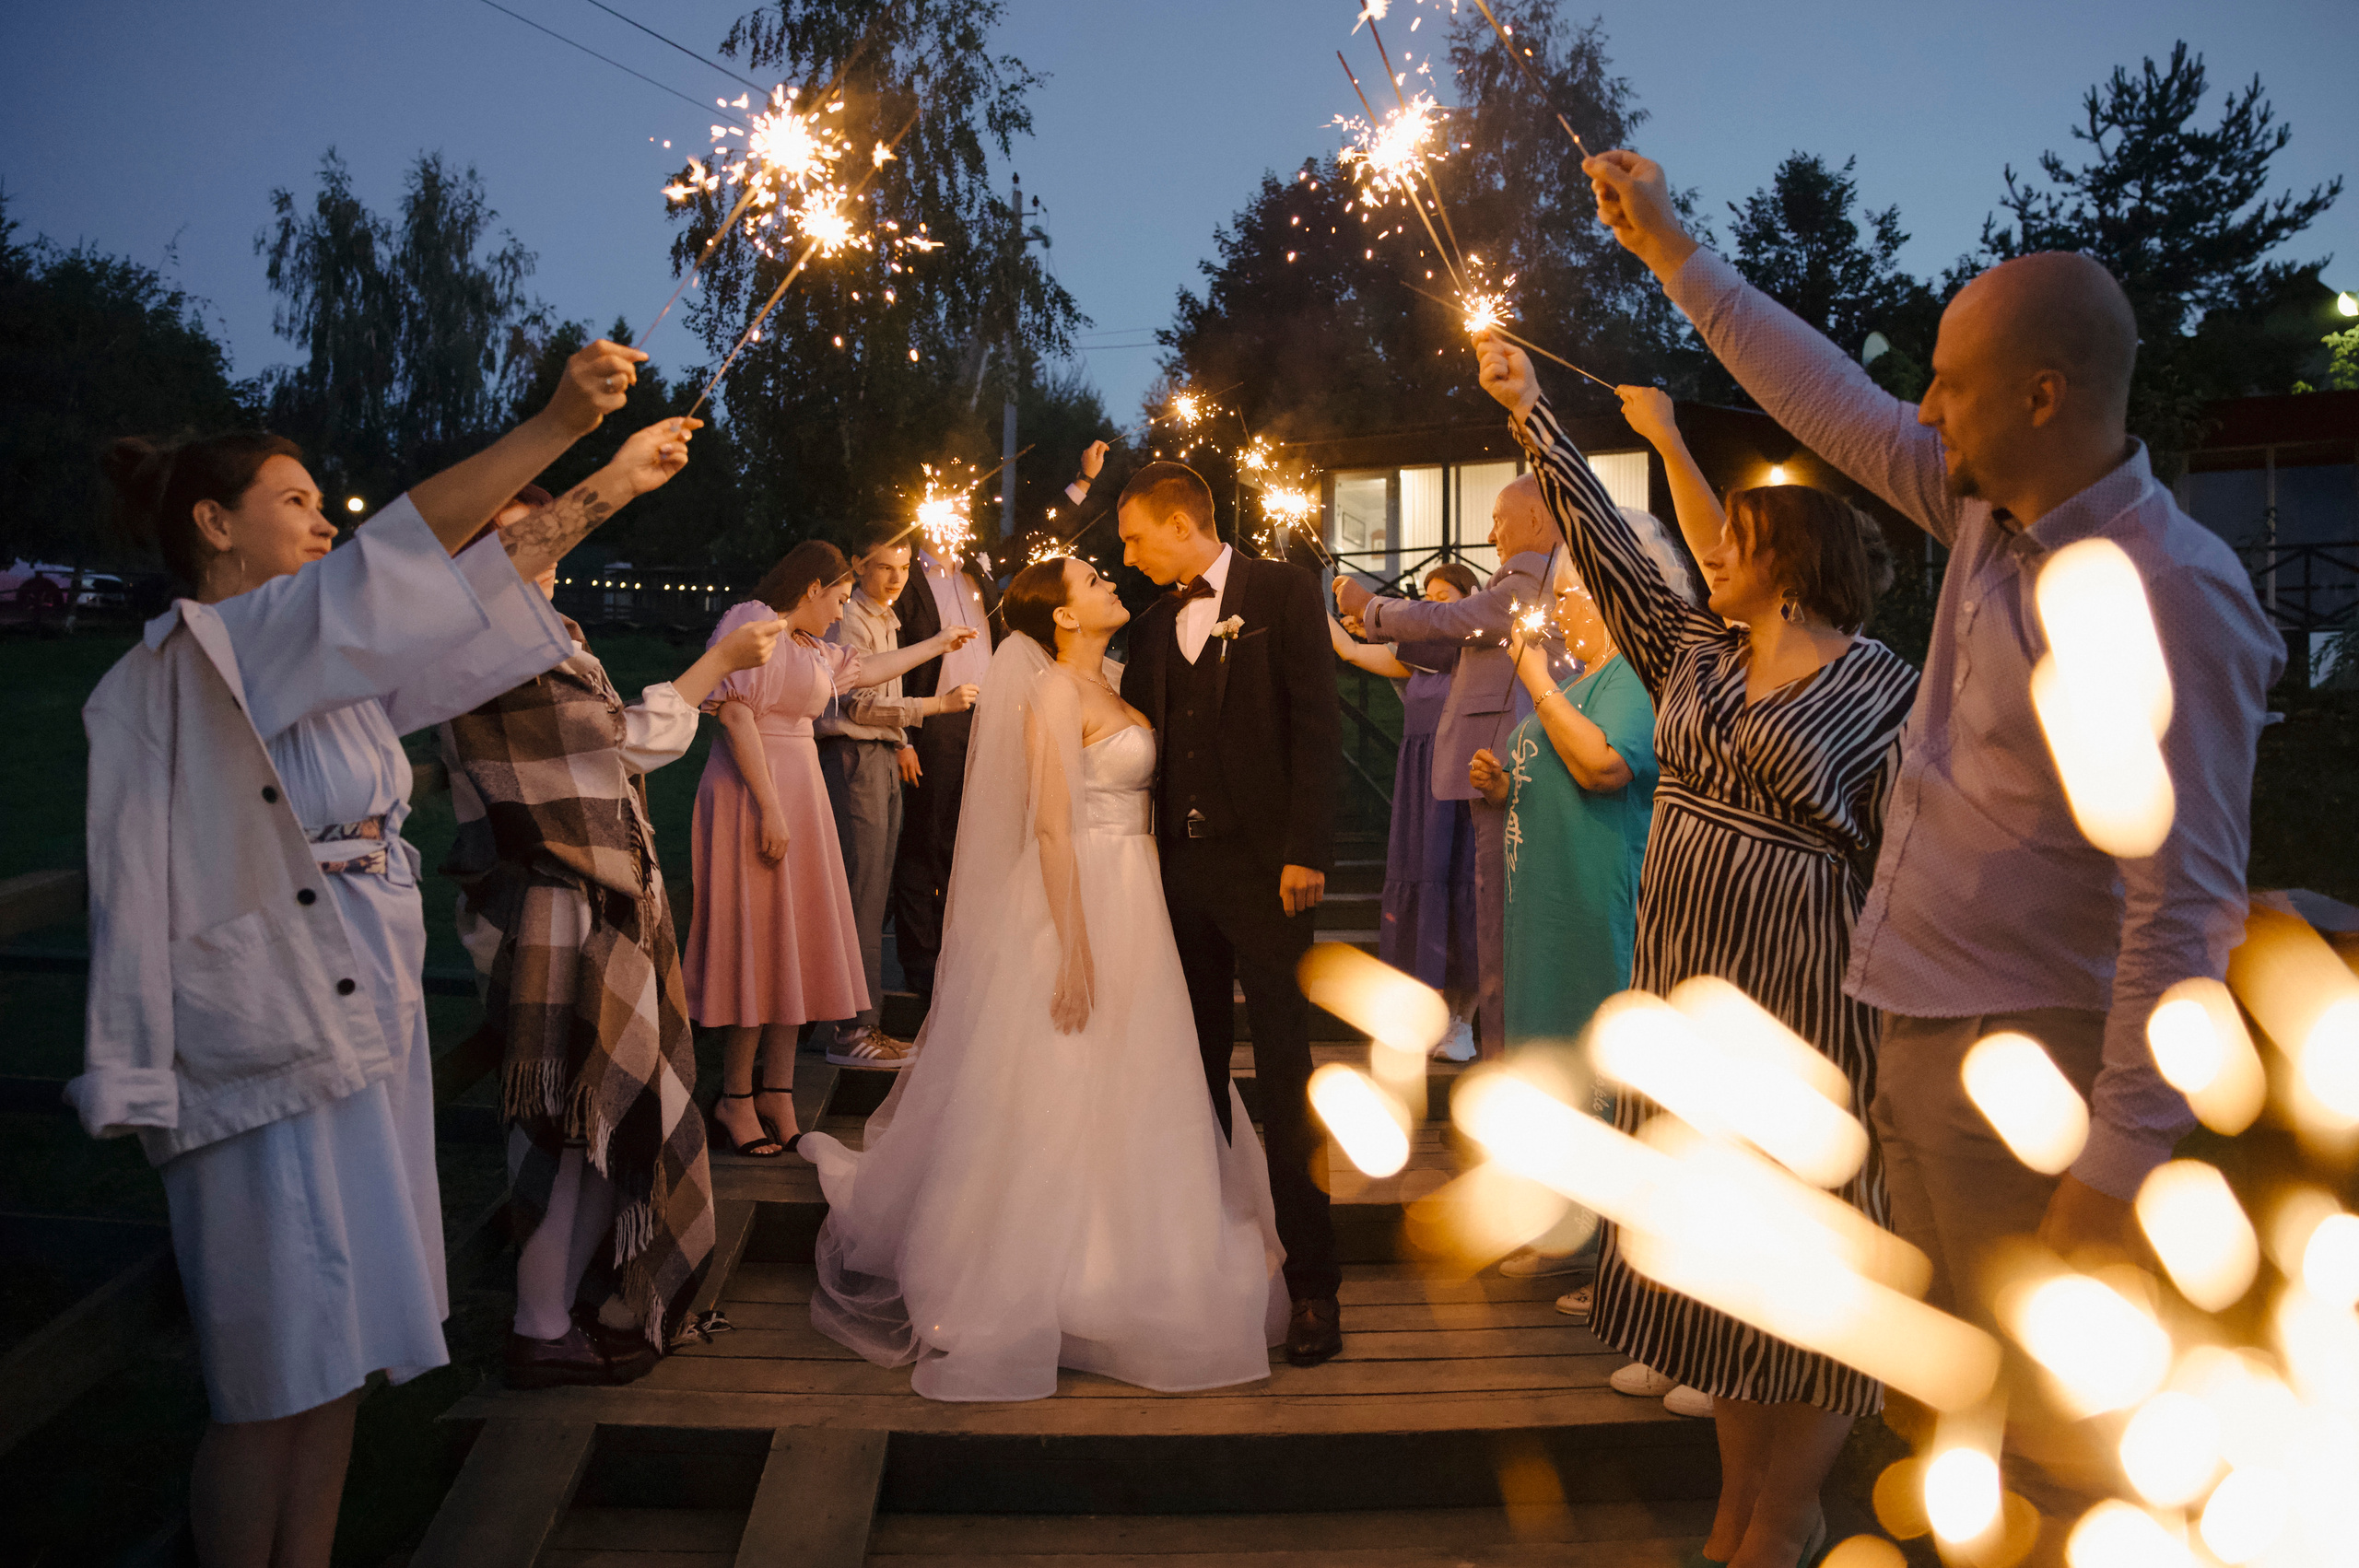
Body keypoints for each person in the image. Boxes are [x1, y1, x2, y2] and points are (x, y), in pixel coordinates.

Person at [1584, 150, 2283, 1557]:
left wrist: (2119, 1162)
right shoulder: (1983, 516)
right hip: (1908, 1041)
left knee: (2057, 1450)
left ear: (2046, 394)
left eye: (1952, 381)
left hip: (2033, 1075)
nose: (1923, 406)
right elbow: (1827, 393)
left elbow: (2184, 908)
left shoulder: (2169, 594)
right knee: (1948, 1430)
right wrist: (1673, 253)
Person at [68, 339, 691, 1568]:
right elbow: (398, 559)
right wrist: (553, 424)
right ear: (214, 523)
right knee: (270, 1374)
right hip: (261, 1046)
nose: (321, 520)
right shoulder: (220, 654)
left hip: (365, 1024)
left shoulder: (334, 669)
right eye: (293, 501)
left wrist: (613, 481)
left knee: (346, 1355)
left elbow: (468, 586)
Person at [1478, 328, 1919, 1568]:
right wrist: (1533, 413)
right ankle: (1738, 1510)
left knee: (1805, 1273)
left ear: (1792, 565)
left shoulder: (1888, 692)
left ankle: (1787, 1514)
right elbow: (1617, 549)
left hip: (1815, 1028)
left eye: (1735, 542)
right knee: (1721, 1279)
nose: (1710, 552)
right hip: (1688, 1019)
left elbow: (1912, 874)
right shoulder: (1696, 653)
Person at [802, 556, 1285, 1399]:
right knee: (1064, 1066)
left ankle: (1146, 1248)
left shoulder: (1126, 680)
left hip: (1139, 896)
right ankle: (1052, 1270)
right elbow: (1052, 830)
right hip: (1081, 897)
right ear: (1061, 617)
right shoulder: (1053, 693)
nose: (1107, 583)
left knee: (1144, 1071)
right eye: (1092, 581)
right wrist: (1074, 946)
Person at [438, 497, 786, 1389]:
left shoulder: (545, 631)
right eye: (523, 537)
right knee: (573, 1126)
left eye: (551, 533)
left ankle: (572, 1299)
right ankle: (540, 1320)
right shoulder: (485, 650)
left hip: (599, 905)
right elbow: (617, 746)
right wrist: (715, 665)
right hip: (554, 916)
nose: (549, 551)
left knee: (609, 1118)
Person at [1115, 462, 1344, 1367]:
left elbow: (1318, 726)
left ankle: (1316, 1286)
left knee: (1288, 1073)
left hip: (1267, 875)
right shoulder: (1146, 624)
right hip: (1174, 878)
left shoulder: (1282, 593)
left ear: (1181, 523)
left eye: (1135, 537)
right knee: (1191, 1071)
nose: (1126, 556)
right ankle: (1207, 1267)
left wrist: (1308, 849)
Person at [684, 542, 978, 1157]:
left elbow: (867, 670)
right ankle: (735, 1095)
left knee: (802, 940)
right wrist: (767, 806)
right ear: (812, 587)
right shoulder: (751, 622)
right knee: (757, 944)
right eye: (839, 599)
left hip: (804, 792)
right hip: (751, 787)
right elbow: (735, 718)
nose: (840, 612)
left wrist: (940, 644)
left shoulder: (814, 647)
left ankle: (779, 1091)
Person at [1468, 522, 1689, 1321]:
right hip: (1546, 915)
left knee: (1599, 1072)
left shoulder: (1633, 676)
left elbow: (1605, 767)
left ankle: (1619, 1256)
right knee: (1552, 1063)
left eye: (1570, 595)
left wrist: (1536, 681)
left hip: (1596, 912)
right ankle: (1564, 1229)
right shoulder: (1589, 675)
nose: (1558, 614)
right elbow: (1560, 771)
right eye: (1557, 597)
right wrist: (1503, 784)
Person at [1333, 484, 1561, 1069]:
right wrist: (1376, 627)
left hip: (1500, 767)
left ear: (1535, 518)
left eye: (1497, 520)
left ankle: (1503, 1055)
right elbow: (1451, 645)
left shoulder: (1531, 582)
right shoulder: (1522, 585)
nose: (1491, 535)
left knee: (1497, 919)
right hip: (1486, 769)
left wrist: (1373, 605)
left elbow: (1458, 618)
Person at [894, 441, 1109, 1015]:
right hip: (933, 724)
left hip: (992, 722)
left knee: (984, 833)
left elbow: (1039, 535)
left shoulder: (979, 569)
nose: (958, 525)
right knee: (928, 843)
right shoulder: (908, 583)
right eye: (947, 515)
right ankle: (924, 966)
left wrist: (1082, 482)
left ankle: (974, 951)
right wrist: (903, 736)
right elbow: (887, 659)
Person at [814, 521, 980, 1062]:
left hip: (884, 751)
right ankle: (850, 1030)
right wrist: (936, 707)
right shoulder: (849, 623)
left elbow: (887, 692)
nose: (895, 577)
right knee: (861, 892)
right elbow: (856, 703)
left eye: (904, 567)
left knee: (875, 888)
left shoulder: (885, 619)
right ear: (858, 565)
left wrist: (903, 735)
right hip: (856, 755)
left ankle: (865, 1023)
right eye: (885, 566)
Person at [1328, 559, 1484, 1061]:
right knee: (1423, 892)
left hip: (1464, 785)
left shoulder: (1482, 650)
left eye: (1444, 597)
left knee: (1465, 896)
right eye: (1426, 596)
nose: (1431, 603)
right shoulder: (1418, 657)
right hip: (1421, 791)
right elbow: (1349, 650)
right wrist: (1317, 599)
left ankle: (1464, 1022)